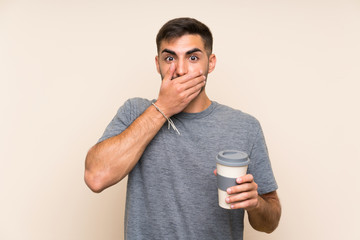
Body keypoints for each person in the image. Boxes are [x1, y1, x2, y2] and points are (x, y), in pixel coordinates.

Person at [84, 17, 281, 239]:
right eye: (170, 58)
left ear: (211, 62)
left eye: (193, 57)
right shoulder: (134, 112)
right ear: (158, 64)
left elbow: (270, 222)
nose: (181, 70)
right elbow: (96, 177)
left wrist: (255, 204)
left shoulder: (245, 127)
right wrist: (162, 108)